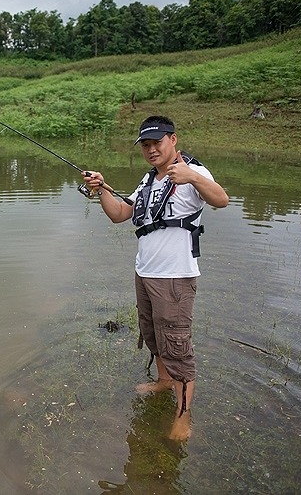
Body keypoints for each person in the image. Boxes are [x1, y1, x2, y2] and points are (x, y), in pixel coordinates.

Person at [81, 115, 229, 441]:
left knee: (177, 344)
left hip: (175, 276)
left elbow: (221, 199)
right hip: (145, 272)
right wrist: (102, 187)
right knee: (152, 334)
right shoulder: (148, 180)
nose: (150, 150)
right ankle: (163, 382)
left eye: (156, 143)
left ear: (173, 139)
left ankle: (184, 414)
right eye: (145, 145)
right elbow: (121, 214)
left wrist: (191, 176)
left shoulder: (194, 171)